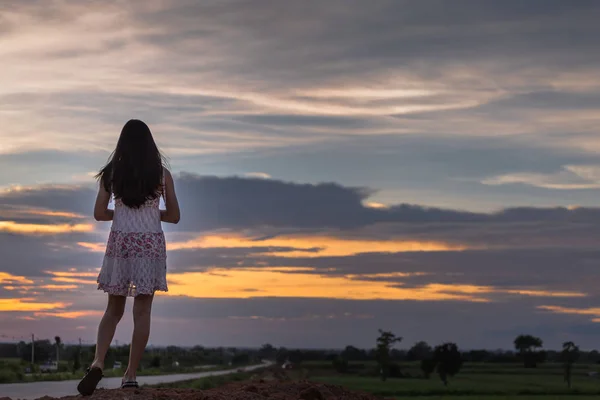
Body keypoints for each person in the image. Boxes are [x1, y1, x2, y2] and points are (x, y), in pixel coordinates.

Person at [77, 119, 180, 395]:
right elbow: (174, 216)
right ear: (150, 144)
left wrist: (122, 213)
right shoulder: (161, 175)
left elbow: (99, 213)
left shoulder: (112, 173)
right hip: (149, 246)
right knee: (142, 311)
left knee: (113, 310)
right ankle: (130, 375)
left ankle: (98, 362)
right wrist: (148, 214)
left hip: (121, 244)